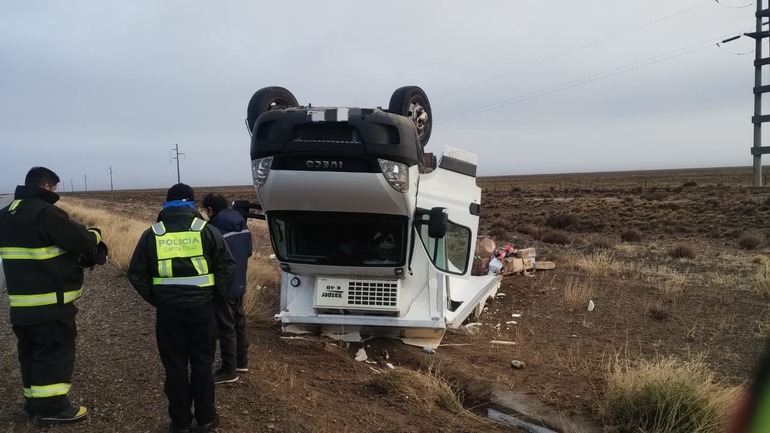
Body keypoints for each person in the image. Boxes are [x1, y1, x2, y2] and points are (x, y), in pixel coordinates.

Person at [0, 166, 104, 425]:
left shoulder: (6, 214)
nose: (54, 193)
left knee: (30, 352)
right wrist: (96, 234)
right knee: (54, 352)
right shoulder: (45, 213)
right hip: (50, 301)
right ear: (46, 186)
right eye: (54, 188)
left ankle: (33, 403)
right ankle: (53, 407)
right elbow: (81, 240)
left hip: (21, 304)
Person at [127, 184, 234, 433]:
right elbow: (227, 267)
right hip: (202, 309)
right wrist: (213, 296)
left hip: (169, 311)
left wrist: (158, 298)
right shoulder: (207, 230)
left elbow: (136, 273)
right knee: (202, 364)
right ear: (193, 205)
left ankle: (180, 423)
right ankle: (206, 419)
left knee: (174, 366)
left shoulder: (153, 234)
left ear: (166, 204)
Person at [201, 193, 253, 384]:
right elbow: (248, 251)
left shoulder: (214, 230)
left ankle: (228, 370)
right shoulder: (242, 224)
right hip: (240, 282)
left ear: (210, 210)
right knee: (239, 322)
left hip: (223, 285)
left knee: (225, 327)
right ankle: (242, 361)